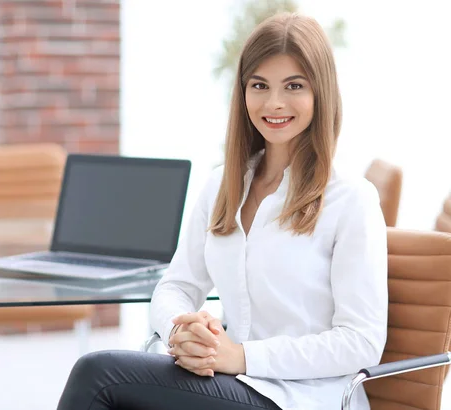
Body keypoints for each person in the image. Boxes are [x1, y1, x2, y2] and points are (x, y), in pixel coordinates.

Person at [57, 12, 387, 410]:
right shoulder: (223, 185)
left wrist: (241, 356)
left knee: (99, 377)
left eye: (294, 86)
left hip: (303, 397)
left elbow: (362, 341)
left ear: (321, 93)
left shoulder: (351, 199)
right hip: (230, 382)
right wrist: (183, 332)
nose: (274, 103)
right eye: (259, 85)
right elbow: (175, 287)